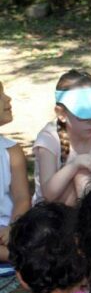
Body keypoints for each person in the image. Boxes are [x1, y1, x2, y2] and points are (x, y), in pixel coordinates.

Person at [33, 70, 91, 206]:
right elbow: (48, 194)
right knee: (83, 174)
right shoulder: (49, 139)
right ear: (61, 114)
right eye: (85, 116)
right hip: (52, 215)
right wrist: (75, 164)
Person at [0, 80, 30, 264]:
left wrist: (12, 227)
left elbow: (22, 198)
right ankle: (17, 257)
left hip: (10, 226)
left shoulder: (12, 151)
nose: (8, 98)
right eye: (0, 95)